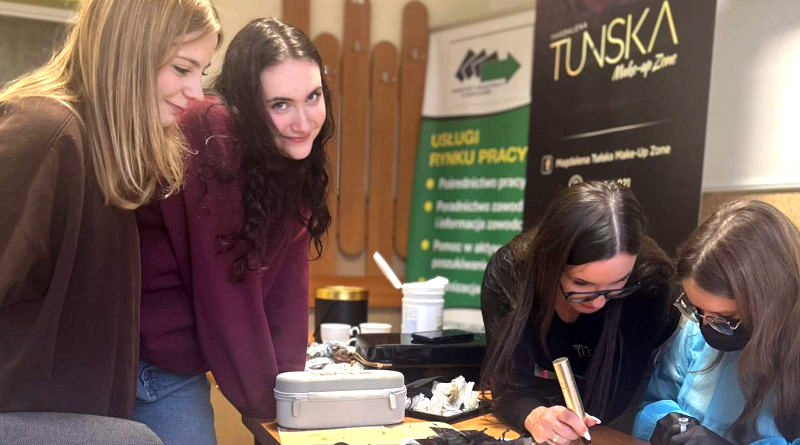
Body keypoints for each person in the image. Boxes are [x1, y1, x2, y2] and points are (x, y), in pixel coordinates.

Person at [0, 0, 219, 419]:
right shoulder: (44, 134)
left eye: (202, 73)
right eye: (182, 68)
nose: (196, 93)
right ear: (130, 50)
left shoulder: (105, 150)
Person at [133, 18, 333, 444]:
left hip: (180, 360)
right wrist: (270, 415)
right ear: (247, 104)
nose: (303, 122)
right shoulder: (211, 133)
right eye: (280, 104)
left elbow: (287, 294)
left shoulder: (288, 157)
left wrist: (289, 400)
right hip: (145, 364)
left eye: (313, 97)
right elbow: (226, 294)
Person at [480, 181, 679, 444]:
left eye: (617, 284)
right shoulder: (512, 275)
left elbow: (612, 401)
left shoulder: (647, 285)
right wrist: (534, 415)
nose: (598, 303)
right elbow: (505, 382)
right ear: (550, 263)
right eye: (581, 284)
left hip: (614, 407)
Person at [633, 200, 800, 444]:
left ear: (770, 304)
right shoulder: (696, 330)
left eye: (725, 318)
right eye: (697, 309)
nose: (706, 325)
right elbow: (657, 398)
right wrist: (661, 422)